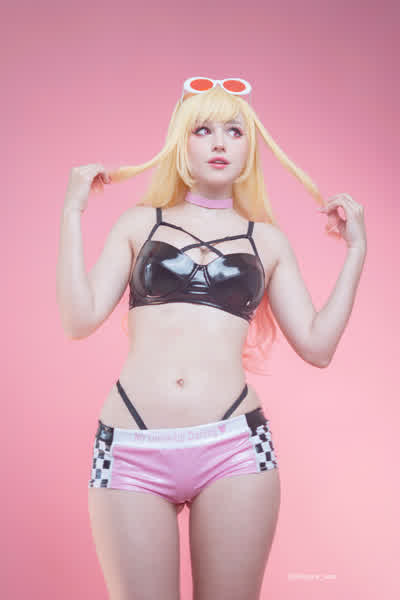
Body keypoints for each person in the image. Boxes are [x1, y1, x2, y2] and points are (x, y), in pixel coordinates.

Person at [56, 77, 367, 600]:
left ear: (250, 149)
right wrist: (72, 212)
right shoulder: (140, 224)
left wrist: (355, 251)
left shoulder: (267, 241)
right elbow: (78, 320)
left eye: (234, 131)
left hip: (234, 449)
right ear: (181, 143)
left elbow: (318, 347)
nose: (219, 142)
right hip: (130, 447)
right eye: (202, 130)